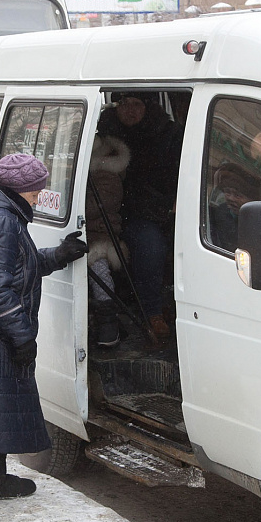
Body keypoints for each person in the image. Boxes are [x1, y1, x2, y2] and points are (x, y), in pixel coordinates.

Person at [0, 153, 88, 499]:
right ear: (20, 190)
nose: (38, 197)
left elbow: (19, 265)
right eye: (35, 192)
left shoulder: (0, 213)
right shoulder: (2, 220)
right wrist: (20, 335)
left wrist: (59, 255)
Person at [97, 92, 182, 343]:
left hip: (167, 205)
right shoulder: (105, 136)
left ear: (148, 106)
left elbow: (182, 171)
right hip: (123, 212)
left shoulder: (169, 134)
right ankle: (152, 312)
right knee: (150, 245)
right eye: (123, 104)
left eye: (136, 104)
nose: (129, 110)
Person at [86, 134, 131, 348]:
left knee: (100, 272)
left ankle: (108, 323)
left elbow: (93, 207)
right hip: (87, 232)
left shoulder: (107, 175)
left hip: (100, 235)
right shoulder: (93, 173)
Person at [210, 162, 261, 252]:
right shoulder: (220, 213)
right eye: (227, 192)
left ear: (252, 200)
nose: (230, 198)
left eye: (237, 195)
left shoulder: (258, 222)